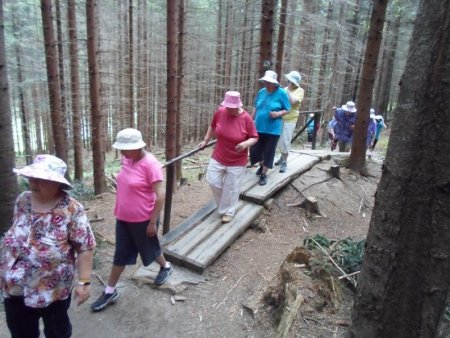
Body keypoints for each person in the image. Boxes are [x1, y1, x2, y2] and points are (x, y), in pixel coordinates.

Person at [0, 154, 96, 338]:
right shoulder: (22, 200)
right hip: (15, 286)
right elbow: (17, 236)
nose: (34, 182)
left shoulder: (72, 209)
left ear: (58, 183)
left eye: (42, 179)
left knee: (57, 331)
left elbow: (85, 248)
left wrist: (84, 282)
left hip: (53, 290)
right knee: (21, 332)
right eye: (32, 177)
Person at [91, 128, 173, 312]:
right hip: (123, 218)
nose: (121, 152)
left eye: (124, 148)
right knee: (120, 255)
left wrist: (152, 222)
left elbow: (161, 195)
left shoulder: (151, 164)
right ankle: (110, 291)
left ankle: (166, 266)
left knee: (150, 249)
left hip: (144, 219)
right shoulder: (127, 159)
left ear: (137, 147)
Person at [199, 91, 258, 223]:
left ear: (238, 106)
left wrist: (245, 144)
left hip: (237, 160)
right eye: (228, 107)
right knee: (212, 180)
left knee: (231, 187)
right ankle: (225, 205)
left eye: (232, 107)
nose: (229, 109)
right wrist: (206, 140)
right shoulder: (220, 112)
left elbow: (254, 137)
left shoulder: (246, 118)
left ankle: (228, 211)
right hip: (219, 155)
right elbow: (213, 125)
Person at [250, 70, 291, 185]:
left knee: (268, 151)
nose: (266, 84)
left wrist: (278, 114)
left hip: (273, 130)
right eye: (265, 82)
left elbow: (287, 109)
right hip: (258, 127)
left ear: (274, 83)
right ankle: (262, 165)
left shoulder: (281, 93)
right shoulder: (261, 92)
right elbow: (256, 107)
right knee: (255, 150)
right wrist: (250, 120)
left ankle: (264, 174)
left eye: (269, 82)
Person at [274, 70, 304, 173]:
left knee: (286, 140)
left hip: (291, 119)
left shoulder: (300, 91)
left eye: (290, 80)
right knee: (280, 139)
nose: (288, 81)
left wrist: (287, 91)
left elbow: (293, 102)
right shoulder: (285, 89)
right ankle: (282, 157)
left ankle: (284, 162)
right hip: (281, 117)